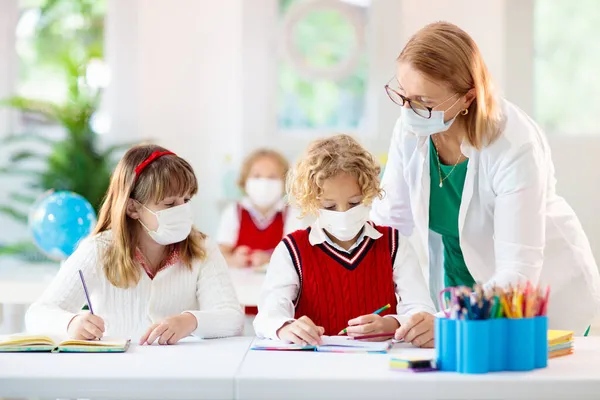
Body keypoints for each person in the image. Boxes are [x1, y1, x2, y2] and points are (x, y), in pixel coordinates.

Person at [371, 21, 600, 334]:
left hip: (538, 297)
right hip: (458, 280)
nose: (409, 110)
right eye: (403, 94)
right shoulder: (411, 127)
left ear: (467, 98)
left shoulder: (514, 144)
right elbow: (389, 227)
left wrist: (440, 323)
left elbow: (517, 272)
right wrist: (392, 309)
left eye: (424, 102)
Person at [26, 145, 244, 344]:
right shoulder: (98, 249)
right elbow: (38, 314)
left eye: (186, 200)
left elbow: (232, 318)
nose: (182, 210)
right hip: (115, 376)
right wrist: (71, 323)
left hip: (179, 374)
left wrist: (189, 321)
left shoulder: (202, 247)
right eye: (169, 203)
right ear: (133, 208)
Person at [254, 134, 436, 347]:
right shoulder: (292, 250)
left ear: (368, 193)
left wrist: (392, 324)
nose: (343, 213)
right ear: (311, 201)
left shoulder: (394, 244)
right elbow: (268, 314)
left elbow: (422, 311)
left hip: (379, 368)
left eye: (354, 202)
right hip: (314, 367)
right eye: (330, 206)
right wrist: (285, 327)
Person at [217, 149, 307, 268]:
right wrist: (233, 260)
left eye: (272, 177)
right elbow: (220, 254)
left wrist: (269, 259)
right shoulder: (234, 212)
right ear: (244, 181)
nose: (264, 183)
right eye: (257, 176)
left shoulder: (292, 214)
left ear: (285, 182)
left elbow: (298, 255)